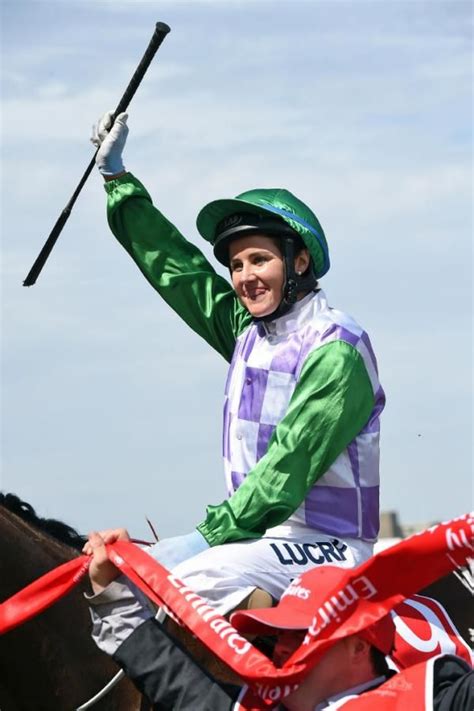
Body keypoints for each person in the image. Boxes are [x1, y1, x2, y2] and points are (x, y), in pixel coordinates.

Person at [89, 111, 385, 615]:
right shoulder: (248, 330)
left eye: (259, 259)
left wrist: (199, 539)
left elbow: (285, 470)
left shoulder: (338, 348)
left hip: (332, 550)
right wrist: (118, 181)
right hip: (259, 544)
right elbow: (177, 270)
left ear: (299, 262)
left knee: (187, 576)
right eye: (236, 264)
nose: (245, 276)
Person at [85, 530, 473, 711]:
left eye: (300, 635)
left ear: (358, 645)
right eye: (278, 633)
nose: (281, 647)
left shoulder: (432, 699)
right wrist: (112, 591)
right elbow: (172, 677)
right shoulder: (259, 708)